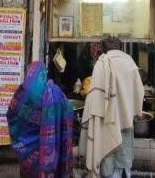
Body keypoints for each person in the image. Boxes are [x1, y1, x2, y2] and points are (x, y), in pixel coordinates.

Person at [79, 37, 144, 178]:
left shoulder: (101, 63)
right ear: (119, 48)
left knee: (106, 151)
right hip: (125, 119)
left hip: (105, 120)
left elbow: (94, 96)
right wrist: (137, 111)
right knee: (124, 152)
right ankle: (125, 173)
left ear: (104, 49)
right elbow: (139, 91)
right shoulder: (130, 62)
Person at [7, 61, 74, 178]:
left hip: (28, 158)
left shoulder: (23, 94)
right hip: (53, 154)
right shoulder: (56, 92)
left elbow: (12, 115)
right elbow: (69, 111)